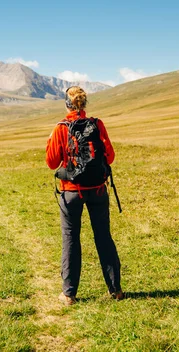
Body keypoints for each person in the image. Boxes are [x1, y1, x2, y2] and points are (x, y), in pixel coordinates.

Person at [45, 86, 124, 305]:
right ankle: (115, 290)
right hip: (98, 190)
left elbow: (52, 162)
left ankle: (69, 294)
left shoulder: (61, 128)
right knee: (103, 237)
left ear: (66, 104)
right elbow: (110, 156)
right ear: (84, 104)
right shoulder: (97, 124)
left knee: (71, 239)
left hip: (71, 193)